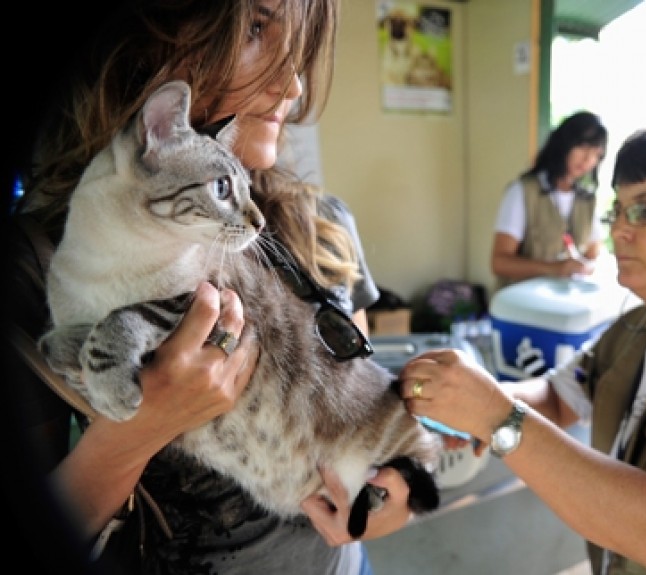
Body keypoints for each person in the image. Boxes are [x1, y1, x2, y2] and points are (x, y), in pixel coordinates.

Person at [4, 1, 415, 573]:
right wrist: (141, 429)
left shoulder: (326, 227)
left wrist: (393, 497)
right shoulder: (34, 268)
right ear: (151, 36)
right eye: (255, 29)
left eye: (297, 49)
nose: (292, 83)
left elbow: (362, 404)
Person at [400, 122, 646, 573]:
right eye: (619, 211)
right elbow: (556, 398)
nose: (619, 232)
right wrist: (461, 400)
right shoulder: (635, 328)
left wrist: (495, 415)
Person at [491, 111, 608, 288]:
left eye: (596, 155)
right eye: (583, 148)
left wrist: (584, 266)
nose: (588, 159)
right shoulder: (524, 191)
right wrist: (553, 268)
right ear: (564, 143)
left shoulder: (587, 200)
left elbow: (594, 253)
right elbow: (499, 263)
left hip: (566, 303)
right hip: (521, 303)